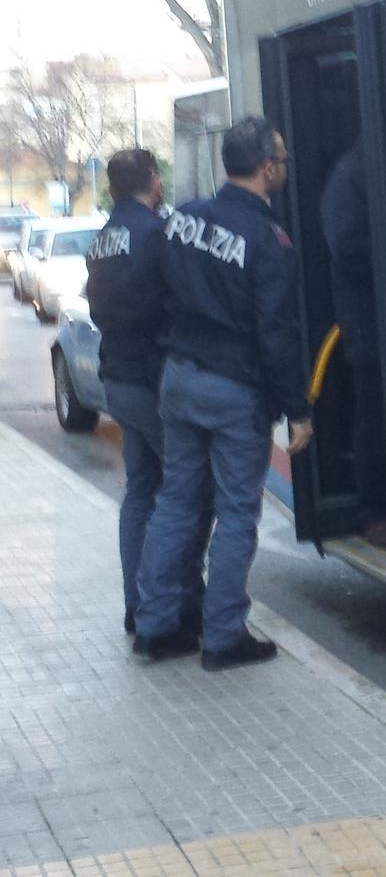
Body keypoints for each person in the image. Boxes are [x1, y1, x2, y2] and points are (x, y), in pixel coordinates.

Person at [133, 116, 313, 670]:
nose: (284, 167)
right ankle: (223, 637)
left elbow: (154, 291)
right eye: (282, 159)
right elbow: (277, 334)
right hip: (234, 390)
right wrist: (298, 409)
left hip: (179, 378)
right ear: (267, 168)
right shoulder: (268, 240)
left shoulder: (183, 218)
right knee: (236, 513)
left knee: (175, 501)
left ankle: (155, 627)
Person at [85, 148, 209, 637]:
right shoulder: (156, 235)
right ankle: (178, 601)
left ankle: (136, 604)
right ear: (154, 180)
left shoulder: (102, 240)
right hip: (154, 382)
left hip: (118, 379)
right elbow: (180, 303)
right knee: (186, 493)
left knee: (140, 491)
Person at [319, 144, 386, 548]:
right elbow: (347, 248)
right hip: (368, 320)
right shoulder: (349, 176)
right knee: (375, 418)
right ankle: (375, 511)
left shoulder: (375, 164)